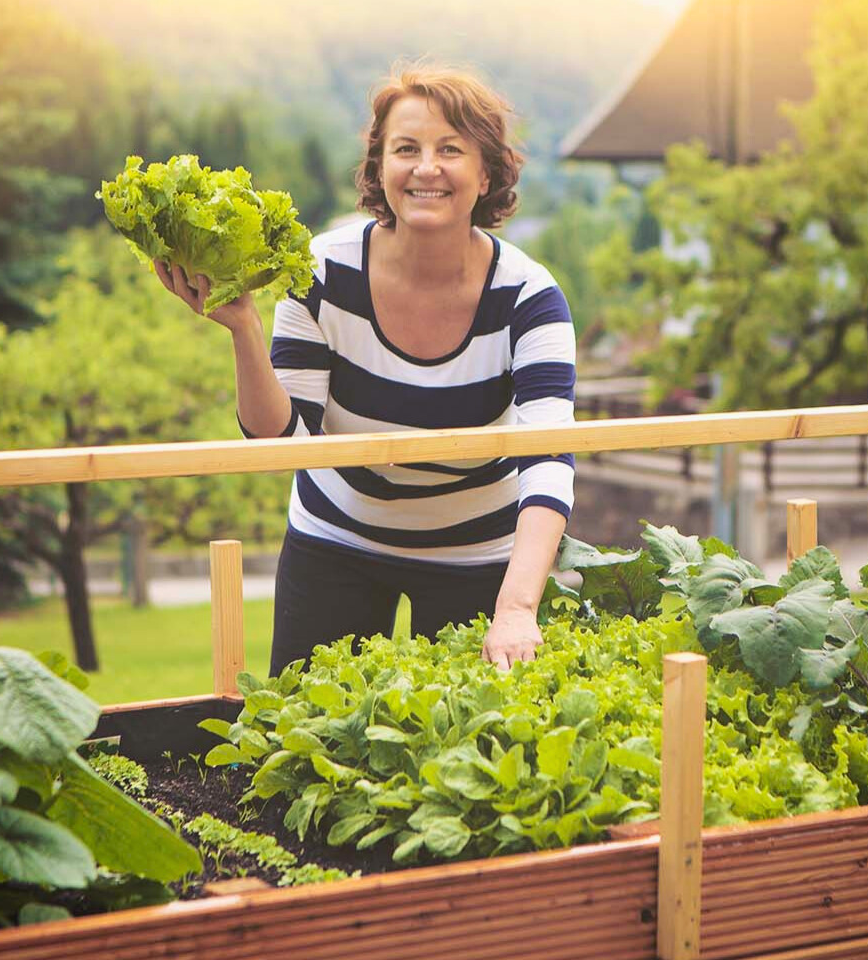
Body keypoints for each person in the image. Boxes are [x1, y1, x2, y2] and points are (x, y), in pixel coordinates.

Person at [155, 65, 575, 675]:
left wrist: (515, 607)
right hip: (337, 540)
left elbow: (549, 459)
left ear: (486, 173)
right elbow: (285, 440)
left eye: (450, 150)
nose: (426, 167)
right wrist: (244, 327)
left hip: (478, 552)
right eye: (406, 148)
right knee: (304, 745)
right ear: (380, 166)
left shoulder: (530, 297)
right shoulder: (320, 269)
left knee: (469, 753)